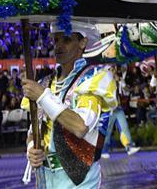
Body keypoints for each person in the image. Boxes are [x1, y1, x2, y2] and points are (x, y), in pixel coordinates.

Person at [22, 21, 115, 188]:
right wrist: (31, 148)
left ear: (83, 42)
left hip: (80, 180)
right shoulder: (45, 82)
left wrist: (42, 96)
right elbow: (32, 131)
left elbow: (80, 126)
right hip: (45, 178)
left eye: (66, 39)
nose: (58, 46)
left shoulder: (94, 79)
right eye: (55, 40)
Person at [101, 65, 140, 157]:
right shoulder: (103, 82)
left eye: (114, 68)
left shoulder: (117, 80)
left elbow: (127, 91)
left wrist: (121, 81)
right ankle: (103, 151)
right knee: (107, 130)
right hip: (108, 109)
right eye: (111, 69)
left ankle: (129, 147)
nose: (114, 70)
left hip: (118, 108)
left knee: (124, 127)